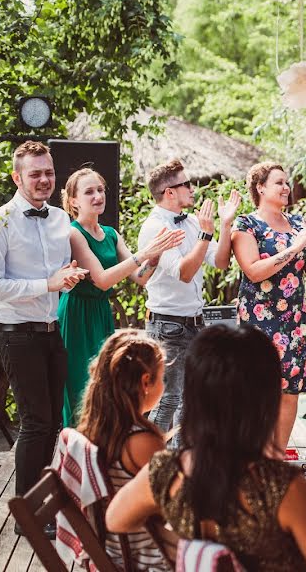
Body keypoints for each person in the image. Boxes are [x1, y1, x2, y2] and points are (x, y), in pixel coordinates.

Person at [105, 325, 306, 572]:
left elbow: (116, 520)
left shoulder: (165, 471)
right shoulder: (282, 487)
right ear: (265, 400)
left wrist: (187, 548)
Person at [0, 141, 88, 536]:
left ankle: (45, 504)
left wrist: (67, 279)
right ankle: (29, 517)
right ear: (16, 177)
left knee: (53, 422)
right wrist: (48, 283)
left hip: (50, 329)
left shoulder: (61, 219)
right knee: (35, 422)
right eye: (35, 173)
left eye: (48, 172)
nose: (44, 179)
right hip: (15, 333)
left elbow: (60, 275)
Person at [58, 168, 184, 426]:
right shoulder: (73, 233)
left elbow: (140, 276)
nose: (97, 196)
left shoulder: (111, 233)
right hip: (77, 314)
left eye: (100, 190)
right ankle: (77, 450)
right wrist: (145, 252)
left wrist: (155, 256)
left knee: (105, 383)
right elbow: (102, 280)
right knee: (81, 386)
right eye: (89, 192)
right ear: (73, 201)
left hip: (101, 312)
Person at [138, 159, 241, 440]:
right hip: (167, 326)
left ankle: (180, 465)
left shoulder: (195, 221)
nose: (193, 189)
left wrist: (224, 223)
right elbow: (184, 272)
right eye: (187, 184)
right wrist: (205, 235)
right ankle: (150, 465)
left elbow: (221, 262)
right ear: (170, 192)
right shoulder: (154, 227)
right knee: (168, 400)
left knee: (190, 402)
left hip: (195, 323)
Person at [231, 162, 306, 453]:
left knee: (290, 392)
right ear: (260, 188)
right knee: (257, 392)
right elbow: (254, 271)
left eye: (287, 183)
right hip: (259, 321)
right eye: (279, 183)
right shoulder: (247, 225)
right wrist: (294, 248)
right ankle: (252, 457)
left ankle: (277, 458)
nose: (286, 188)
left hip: (293, 320)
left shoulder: (297, 222)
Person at [76, 329, 174, 570]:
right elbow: (173, 507)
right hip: (143, 558)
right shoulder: (142, 442)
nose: (163, 385)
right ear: (145, 382)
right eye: (162, 377)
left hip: (108, 551)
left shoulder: (93, 429)